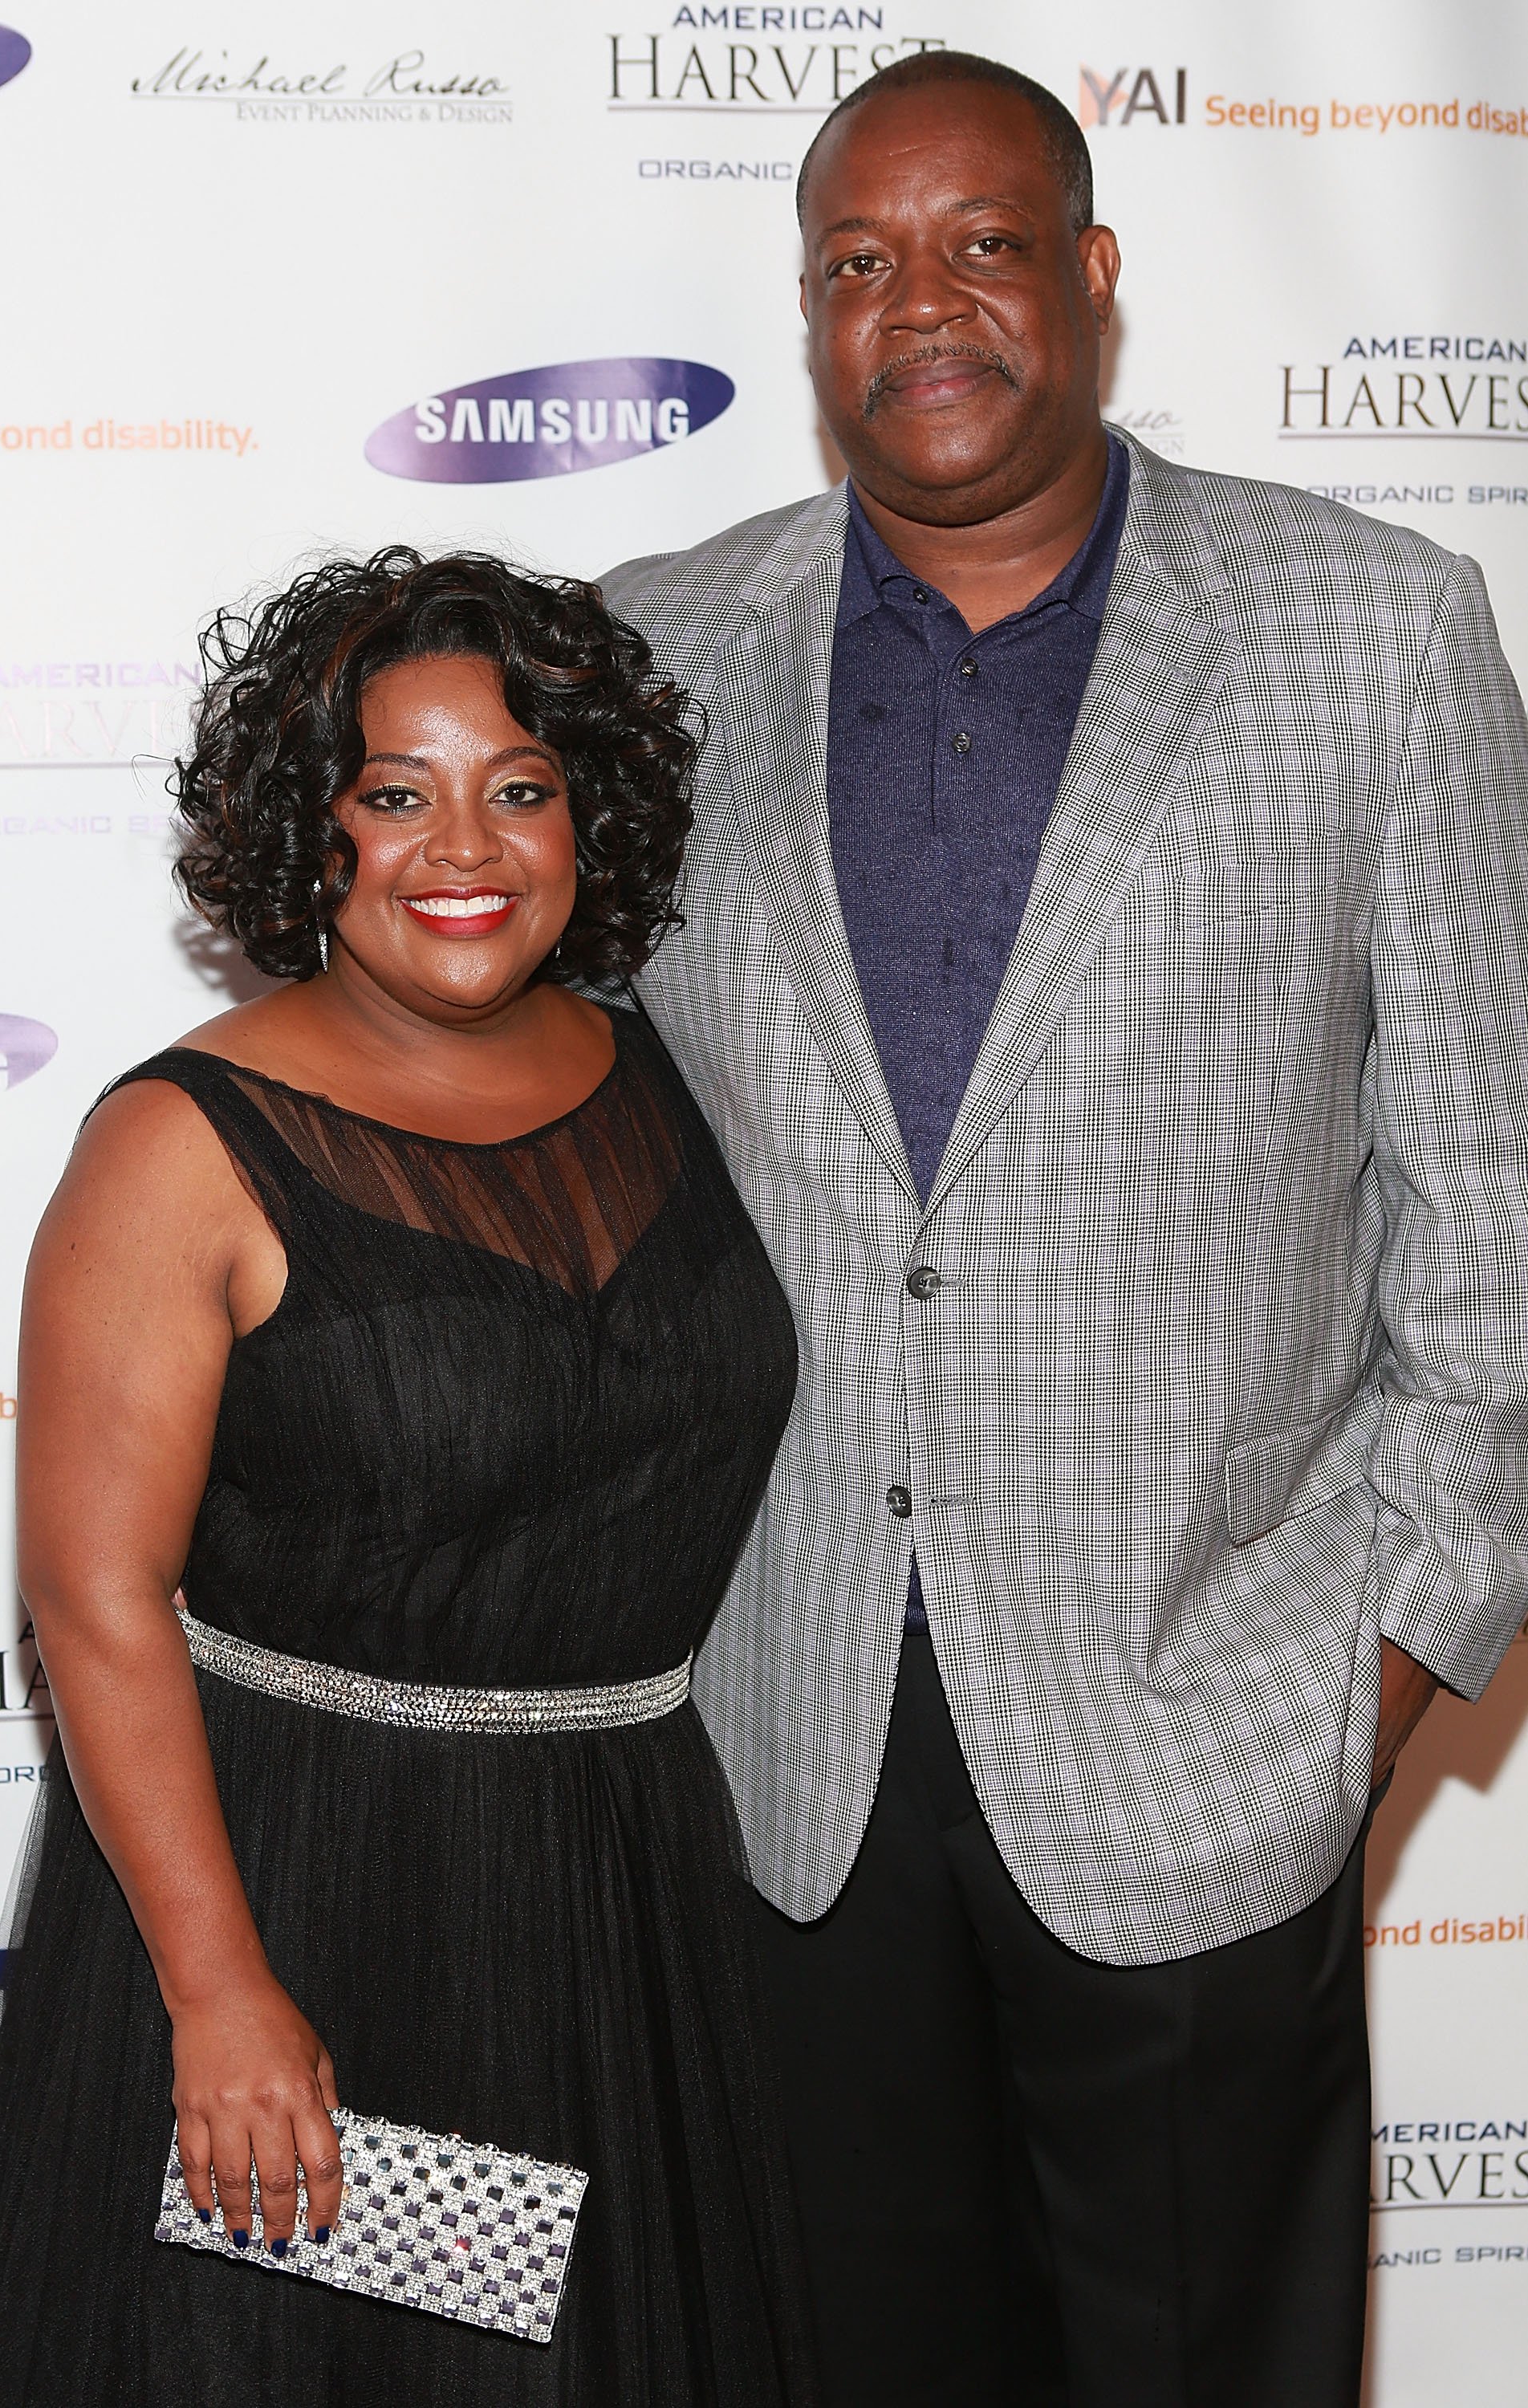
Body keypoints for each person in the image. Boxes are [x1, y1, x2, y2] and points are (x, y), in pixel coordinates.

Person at [601, 49, 1528, 2408]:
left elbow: (1496, 1220)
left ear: (1092, 281)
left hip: (1203, 1722)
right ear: (809, 317)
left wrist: (1375, 1669)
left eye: (984, 243)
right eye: (858, 262)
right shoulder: (649, 658)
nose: (923, 304)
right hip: (784, 1738)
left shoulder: (1374, 633)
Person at [0, 551, 815, 2408]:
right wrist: (217, 1990)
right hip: (304, 1900)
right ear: (305, 834)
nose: (459, 846)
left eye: (517, 788)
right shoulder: (181, 1145)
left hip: (618, 1898)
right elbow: (95, 1599)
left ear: (591, 815)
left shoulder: (675, 1074)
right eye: (392, 796)